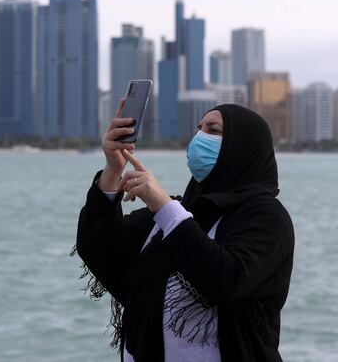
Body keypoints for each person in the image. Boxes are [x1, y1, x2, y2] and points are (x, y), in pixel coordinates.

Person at [73, 102, 294, 361]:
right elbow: (98, 247)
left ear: (243, 147)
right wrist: (113, 169)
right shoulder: (174, 214)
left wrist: (163, 206)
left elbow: (226, 280)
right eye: (198, 128)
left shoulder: (267, 216)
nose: (200, 137)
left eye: (213, 130)